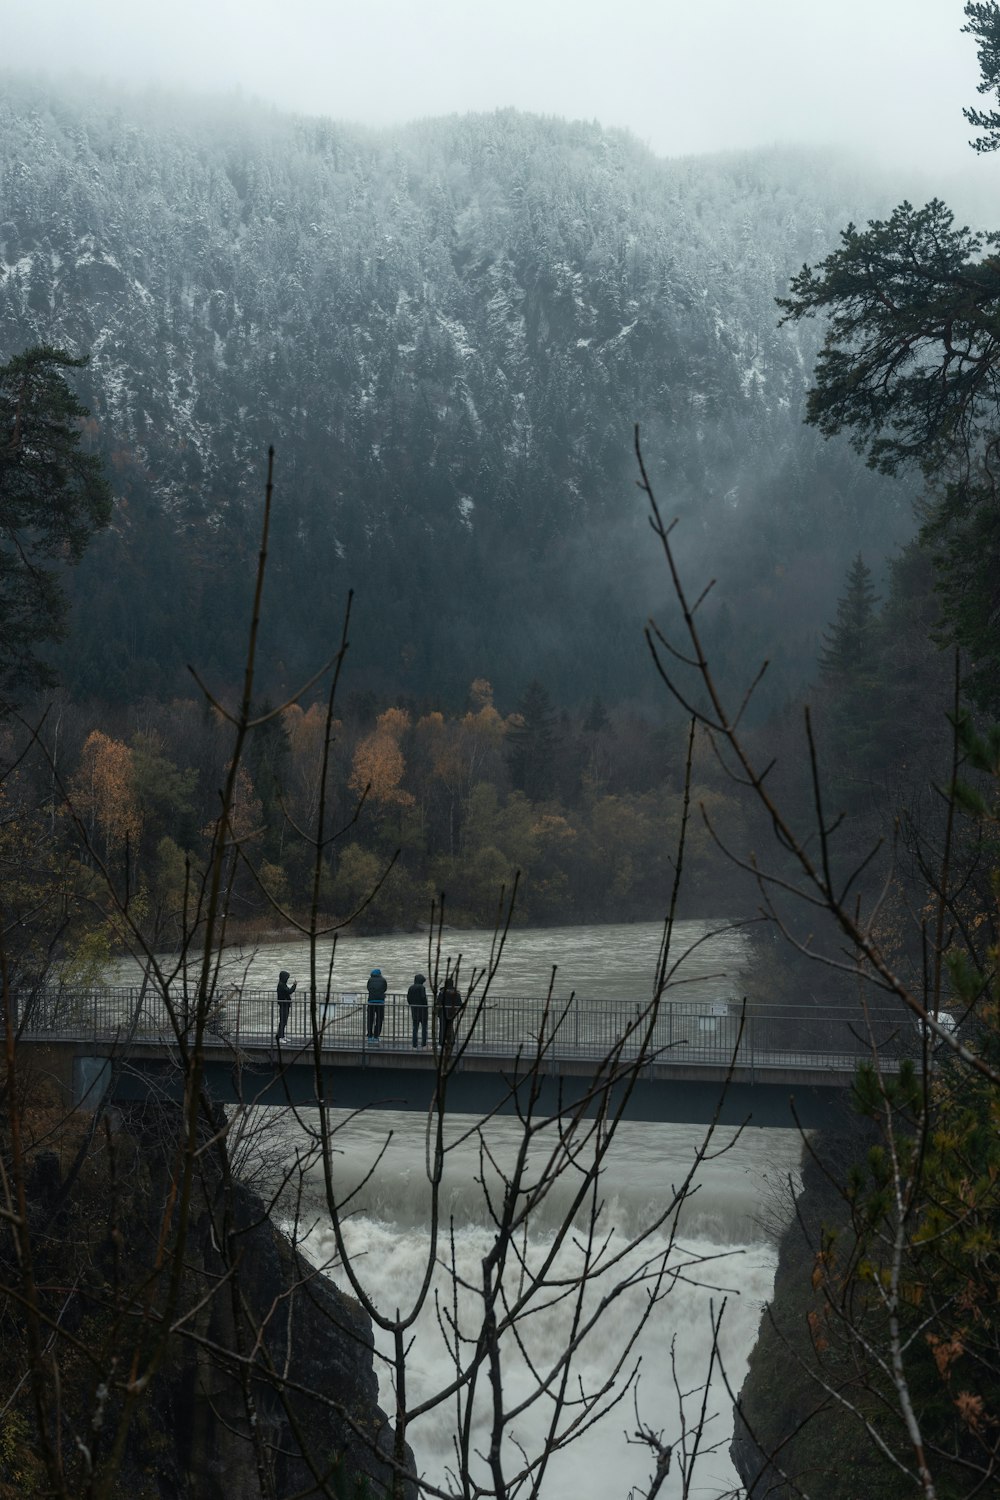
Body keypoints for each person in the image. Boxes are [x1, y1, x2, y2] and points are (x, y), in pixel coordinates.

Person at [438, 974, 462, 1049]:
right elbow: (460, 1004)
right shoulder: (456, 993)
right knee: (450, 1026)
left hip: (443, 1011)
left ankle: (442, 1041)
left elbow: (438, 1001)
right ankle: (452, 1040)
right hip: (452, 1012)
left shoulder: (442, 992)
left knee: (442, 1026)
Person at [407, 973, 429, 1047]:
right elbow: (423, 998)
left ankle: (414, 1044)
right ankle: (424, 1043)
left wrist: (411, 1004)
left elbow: (408, 998)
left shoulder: (411, 987)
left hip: (414, 1010)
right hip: (423, 1010)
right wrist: (426, 1006)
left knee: (415, 1027)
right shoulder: (422, 988)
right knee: (424, 1028)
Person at [366, 967, 388, 1043]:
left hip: (371, 1001)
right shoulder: (383, 980)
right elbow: (385, 989)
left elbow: (368, 988)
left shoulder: (370, 980)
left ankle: (369, 1036)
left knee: (370, 1019)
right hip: (380, 1002)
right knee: (379, 1019)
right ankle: (376, 1036)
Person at [276, 970, 296, 1042]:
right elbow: (289, 991)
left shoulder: (283, 984)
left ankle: (282, 1035)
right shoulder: (281, 985)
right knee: (282, 1021)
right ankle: (280, 1037)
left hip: (285, 1004)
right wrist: (294, 985)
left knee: (284, 1021)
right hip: (283, 1004)